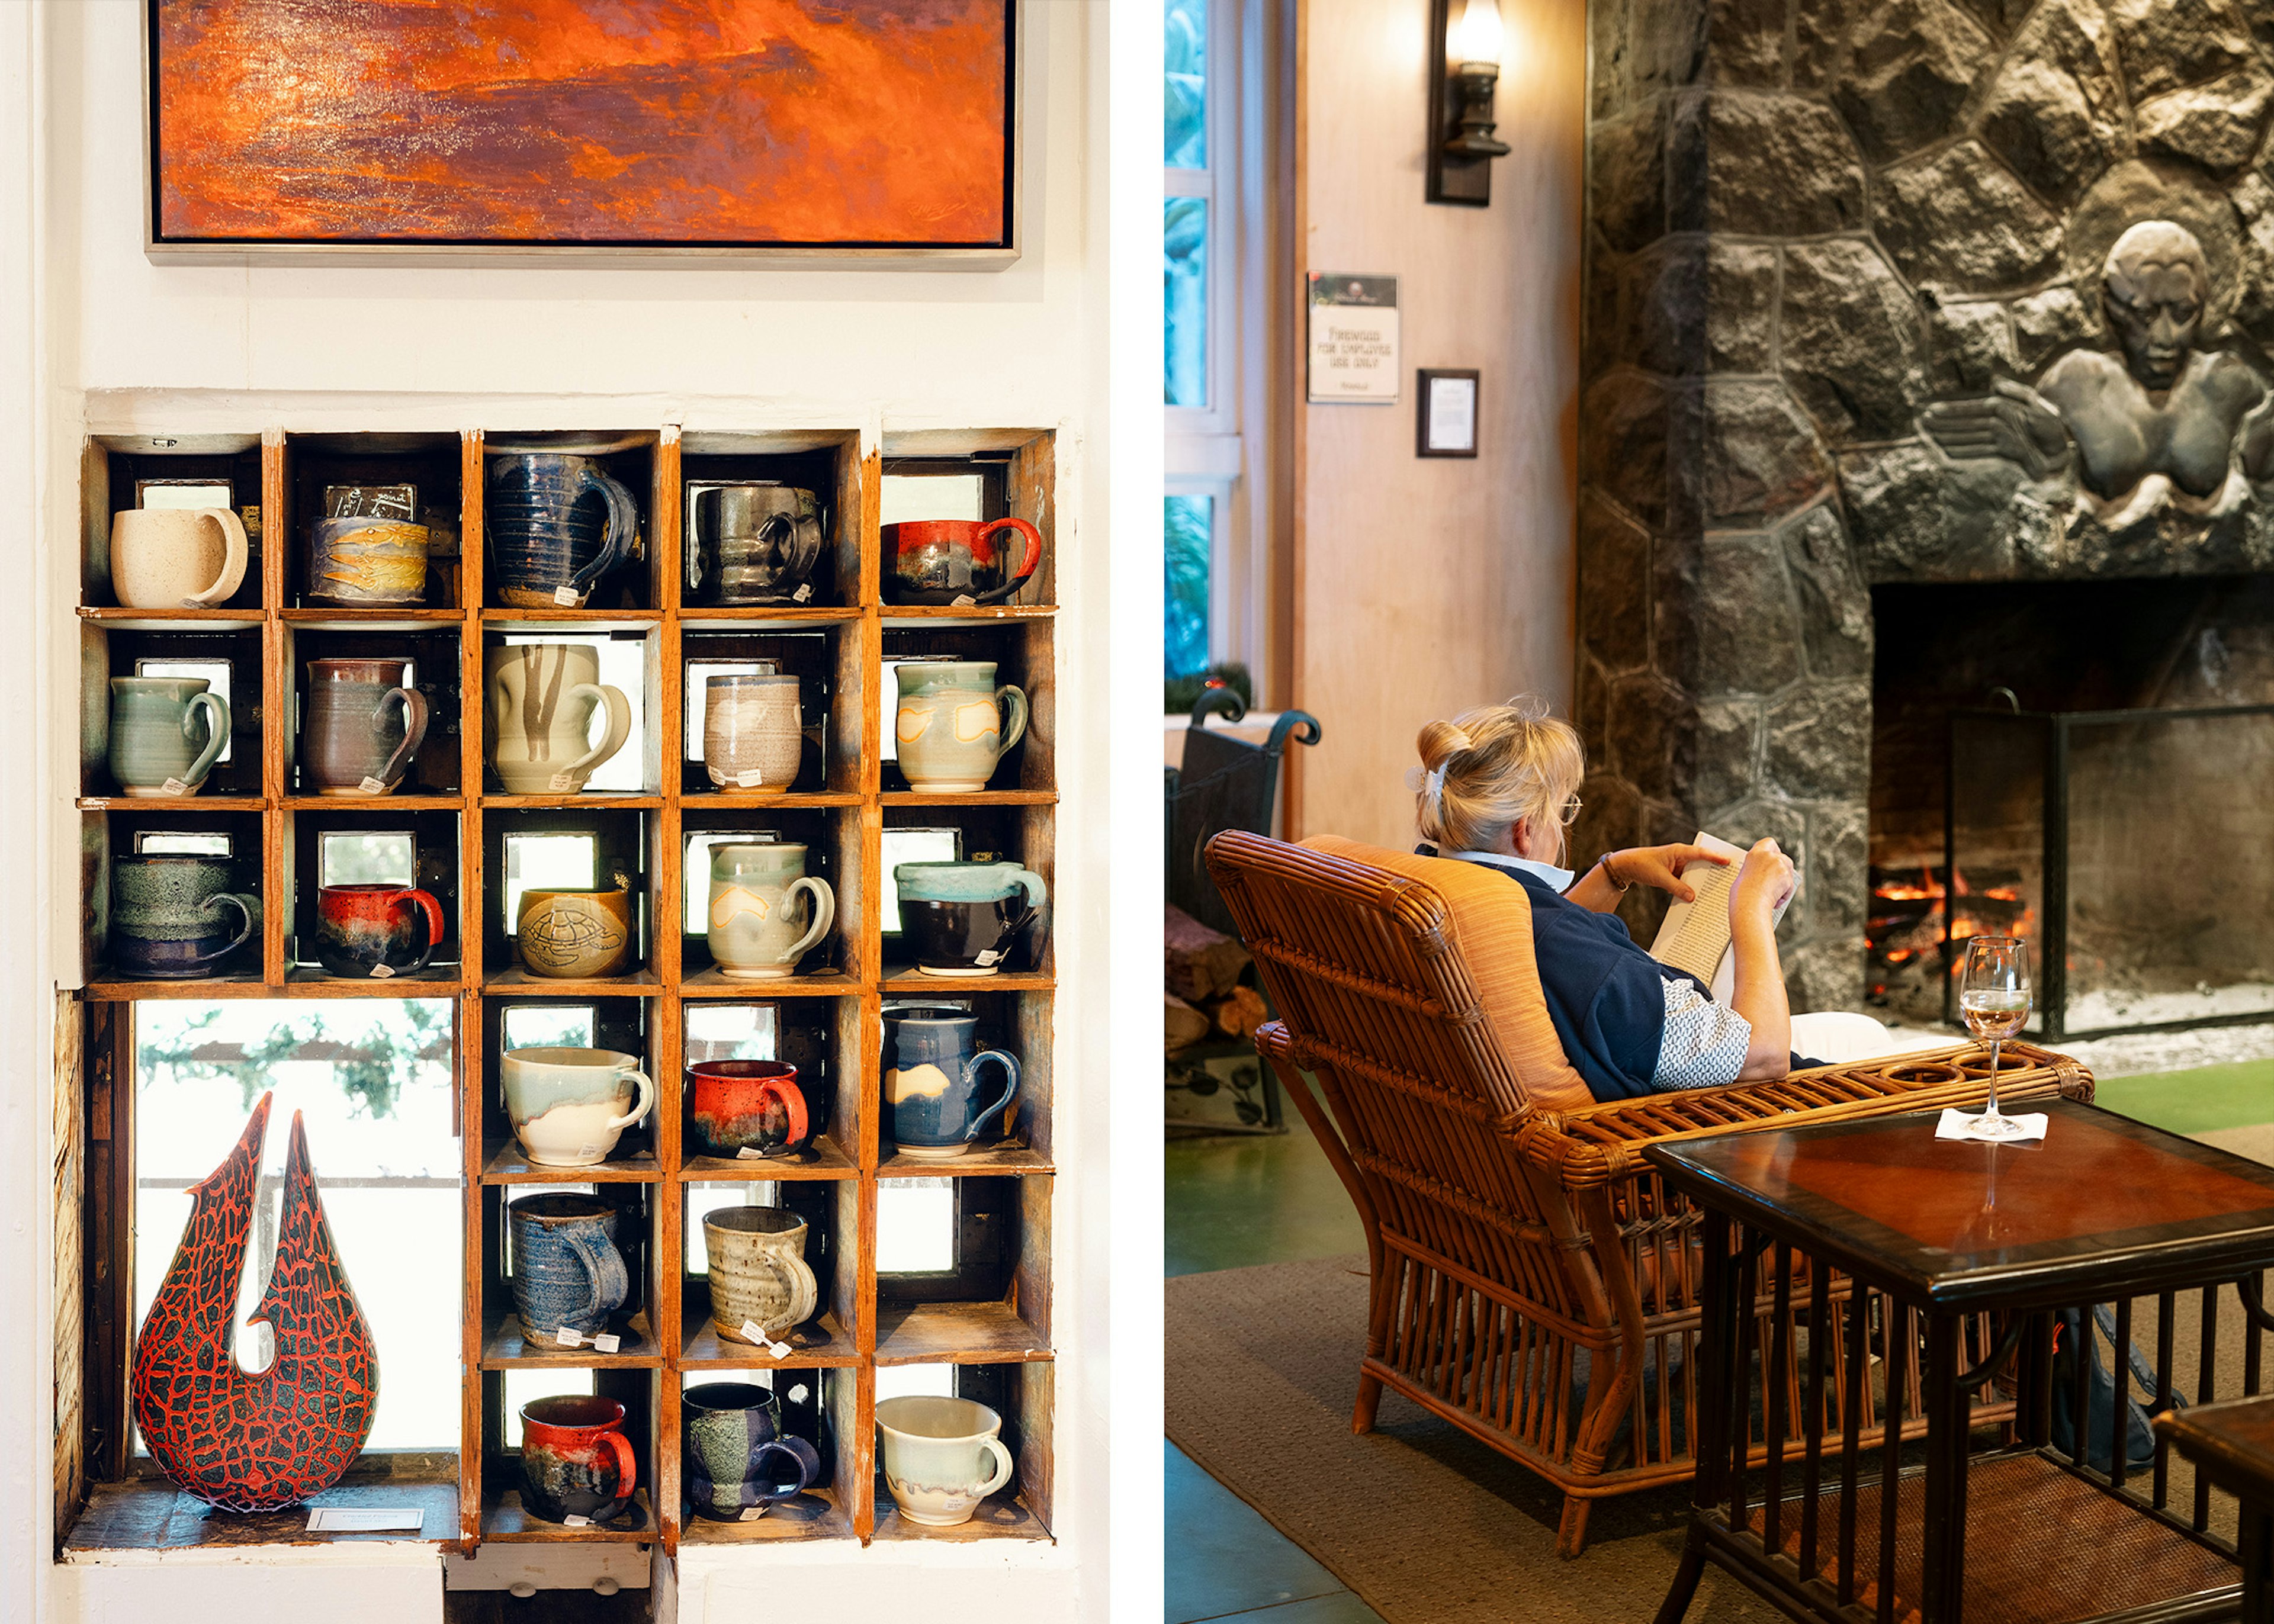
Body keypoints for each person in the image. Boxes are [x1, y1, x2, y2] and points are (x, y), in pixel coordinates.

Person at [1412, 696, 1922, 1101]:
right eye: (1564, 808)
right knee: (1888, 1048)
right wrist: (1752, 905)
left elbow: (1537, 949)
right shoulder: (1581, 960)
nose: (1565, 822)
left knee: (1859, 1028)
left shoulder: (1438, 894)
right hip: (1703, 1130)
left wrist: (1613, 872)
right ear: (1526, 830)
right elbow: (1763, 1059)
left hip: (1648, 1058)